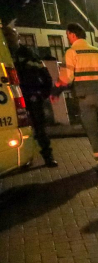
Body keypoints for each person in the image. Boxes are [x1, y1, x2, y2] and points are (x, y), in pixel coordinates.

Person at [51, 23, 98, 175]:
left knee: (93, 132)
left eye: (67, 36)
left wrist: (55, 91)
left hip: (84, 98)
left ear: (72, 35)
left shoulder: (72, 52)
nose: (68, 39)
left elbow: (66, 78)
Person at [2, 25, 57, 167]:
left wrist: (43, 93)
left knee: (39, 128)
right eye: (5, 36)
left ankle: (48, 156)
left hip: (31, 95)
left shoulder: (28, 53)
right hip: (11, 98)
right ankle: (24, 157)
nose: (8, 38)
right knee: (18, 129)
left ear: (17, 37)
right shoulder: (3, 55)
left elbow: (44, 73)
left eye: (11, 35)